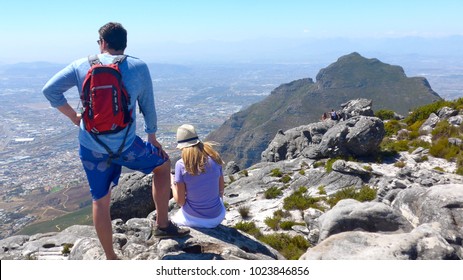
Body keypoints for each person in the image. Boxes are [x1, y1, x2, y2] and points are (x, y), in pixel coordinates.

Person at [42, 22, 189, 260]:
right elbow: (148, 107)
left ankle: (111, 257)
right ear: (125, 44)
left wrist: (73, 116)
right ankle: (162, 225)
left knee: (100, 201)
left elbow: (49, 90)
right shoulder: (138, 66)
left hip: (91, 147)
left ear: (102, 43)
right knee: (162, 166)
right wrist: (152, 137)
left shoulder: (81, 65)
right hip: (127, 146)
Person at [171, 124, 226, 228]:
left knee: (172, 222)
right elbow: (221, 191)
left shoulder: (181, 165)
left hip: (195, 220)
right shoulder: (215, 158)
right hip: (218, 216)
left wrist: (172, 184)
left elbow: (181, 202)